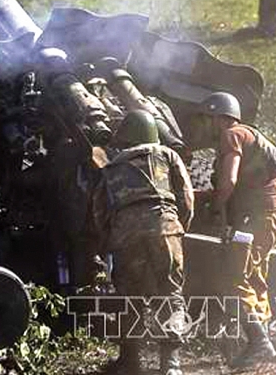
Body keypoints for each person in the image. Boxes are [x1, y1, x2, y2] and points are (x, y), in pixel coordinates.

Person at [91, 110, 194, 375]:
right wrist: (177, 227)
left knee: (130, 298)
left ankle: (129, 362)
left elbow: (99, 212)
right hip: (164, 229)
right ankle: (171, 366)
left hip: (125, 238)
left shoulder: (111, 167)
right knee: (170, 294)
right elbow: (186, 196)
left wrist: (107, 243)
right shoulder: (166, 155)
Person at [195, 92, 276, 369]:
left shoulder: (232, 135)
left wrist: (215, 204)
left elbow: (228, 182)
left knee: (233, 276)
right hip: (274, 216)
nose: (205, 126)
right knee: (254, 277)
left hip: (256, 218)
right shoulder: (252, 134)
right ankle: (260, 346)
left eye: (206, 119)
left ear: (217, 117)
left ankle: (259, 343)